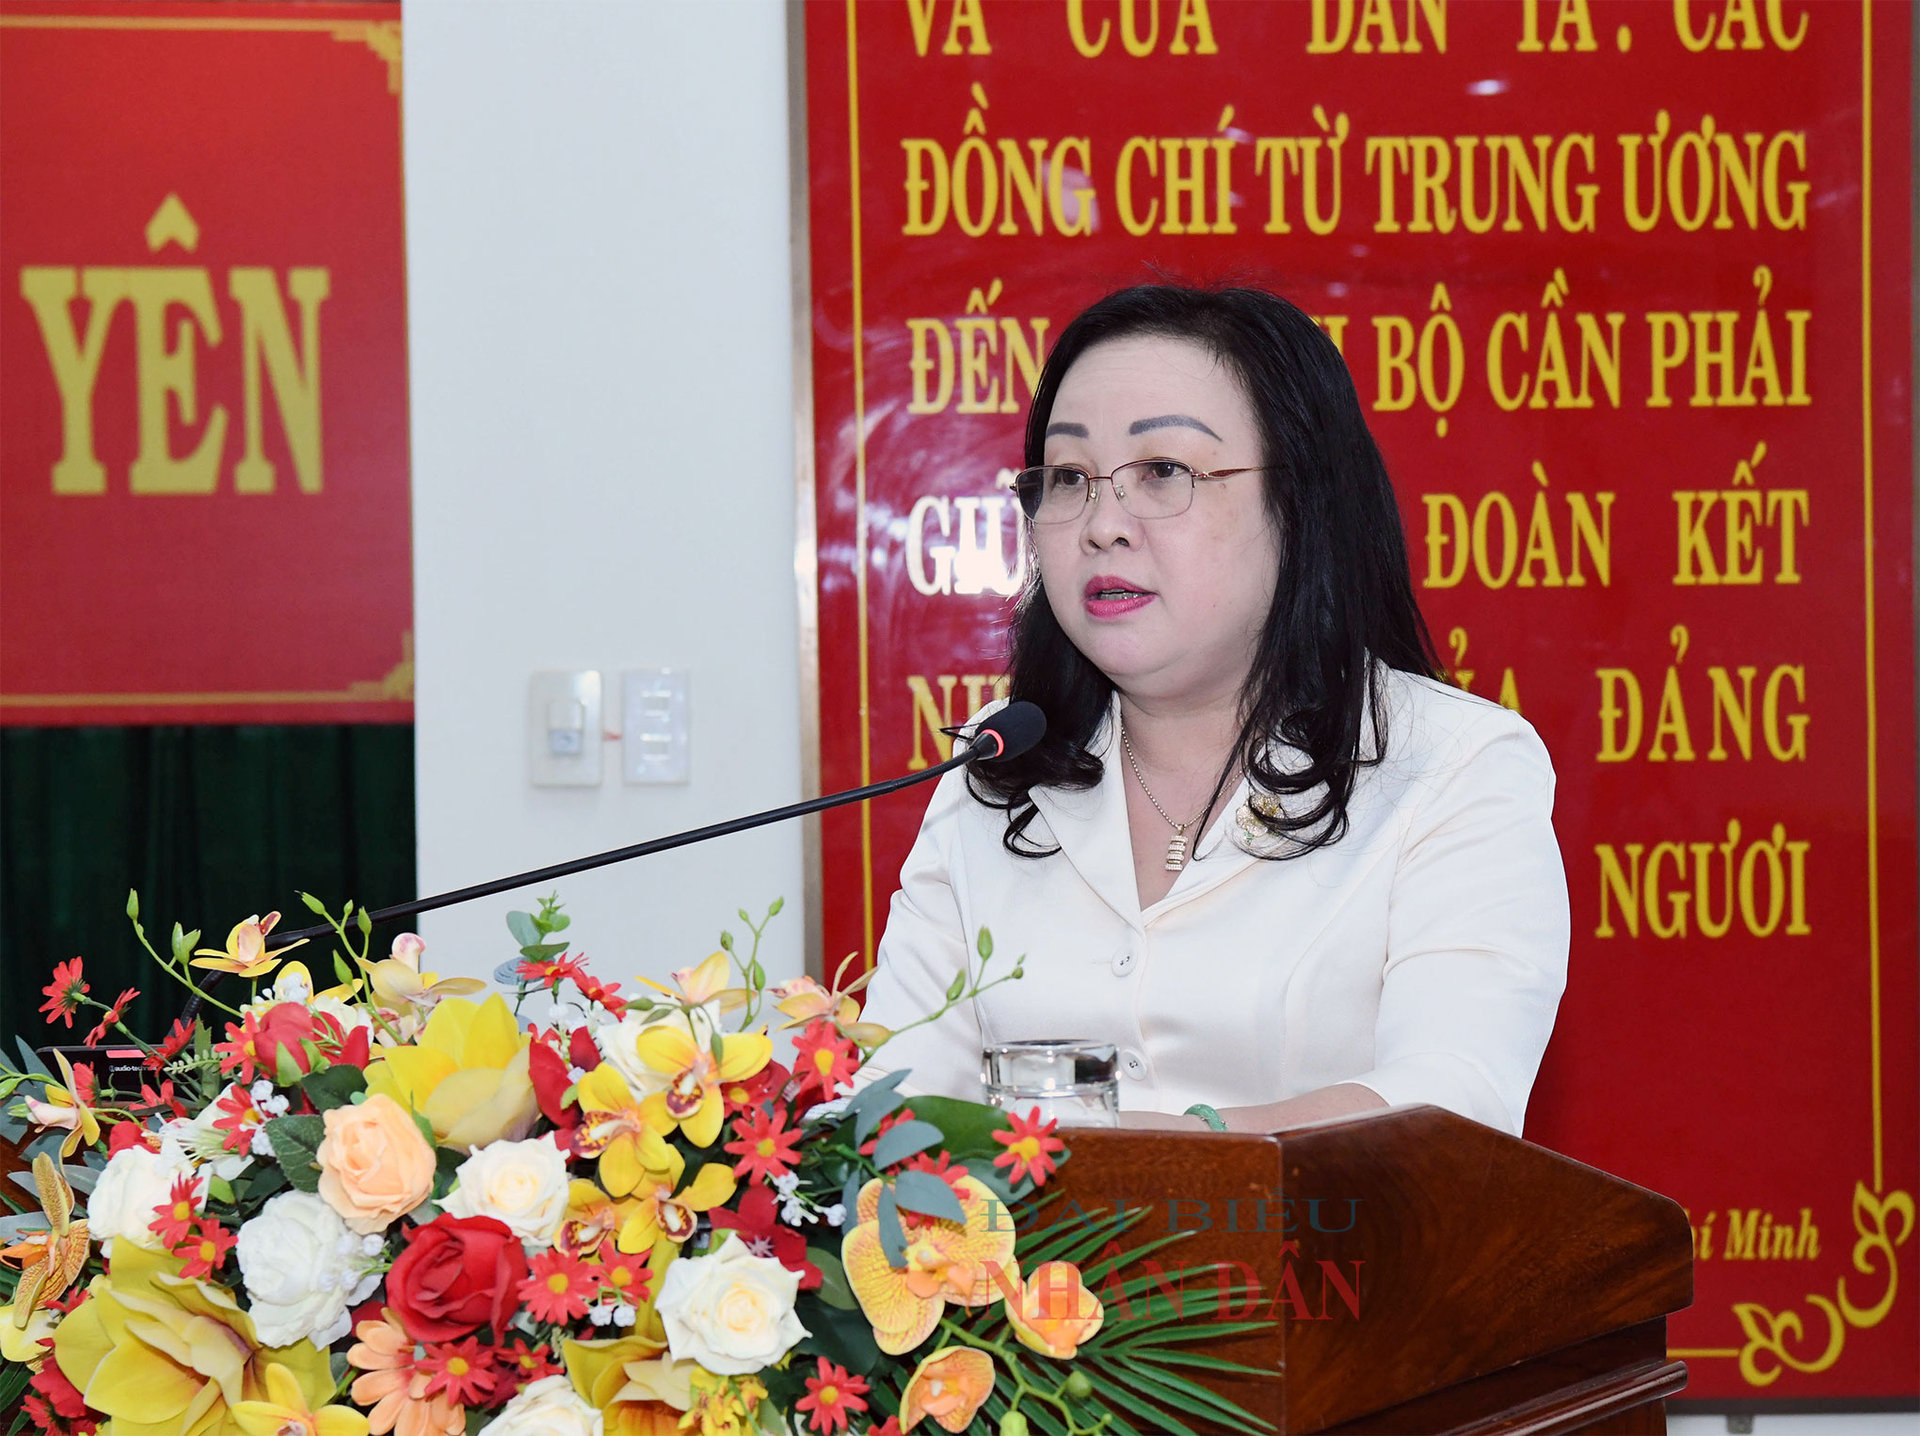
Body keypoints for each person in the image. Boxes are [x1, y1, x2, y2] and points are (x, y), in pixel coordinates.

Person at [857, 283, 1569, 1137]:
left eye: (1163, 472)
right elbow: (892, 1114)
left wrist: (1164, 1154)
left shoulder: (1451, 766)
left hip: (1331, 1271)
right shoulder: (998, 772)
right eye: (1071, 477)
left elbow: (1453, 1103)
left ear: (1299, 505)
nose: (1103, 524)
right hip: (1014, 1278)